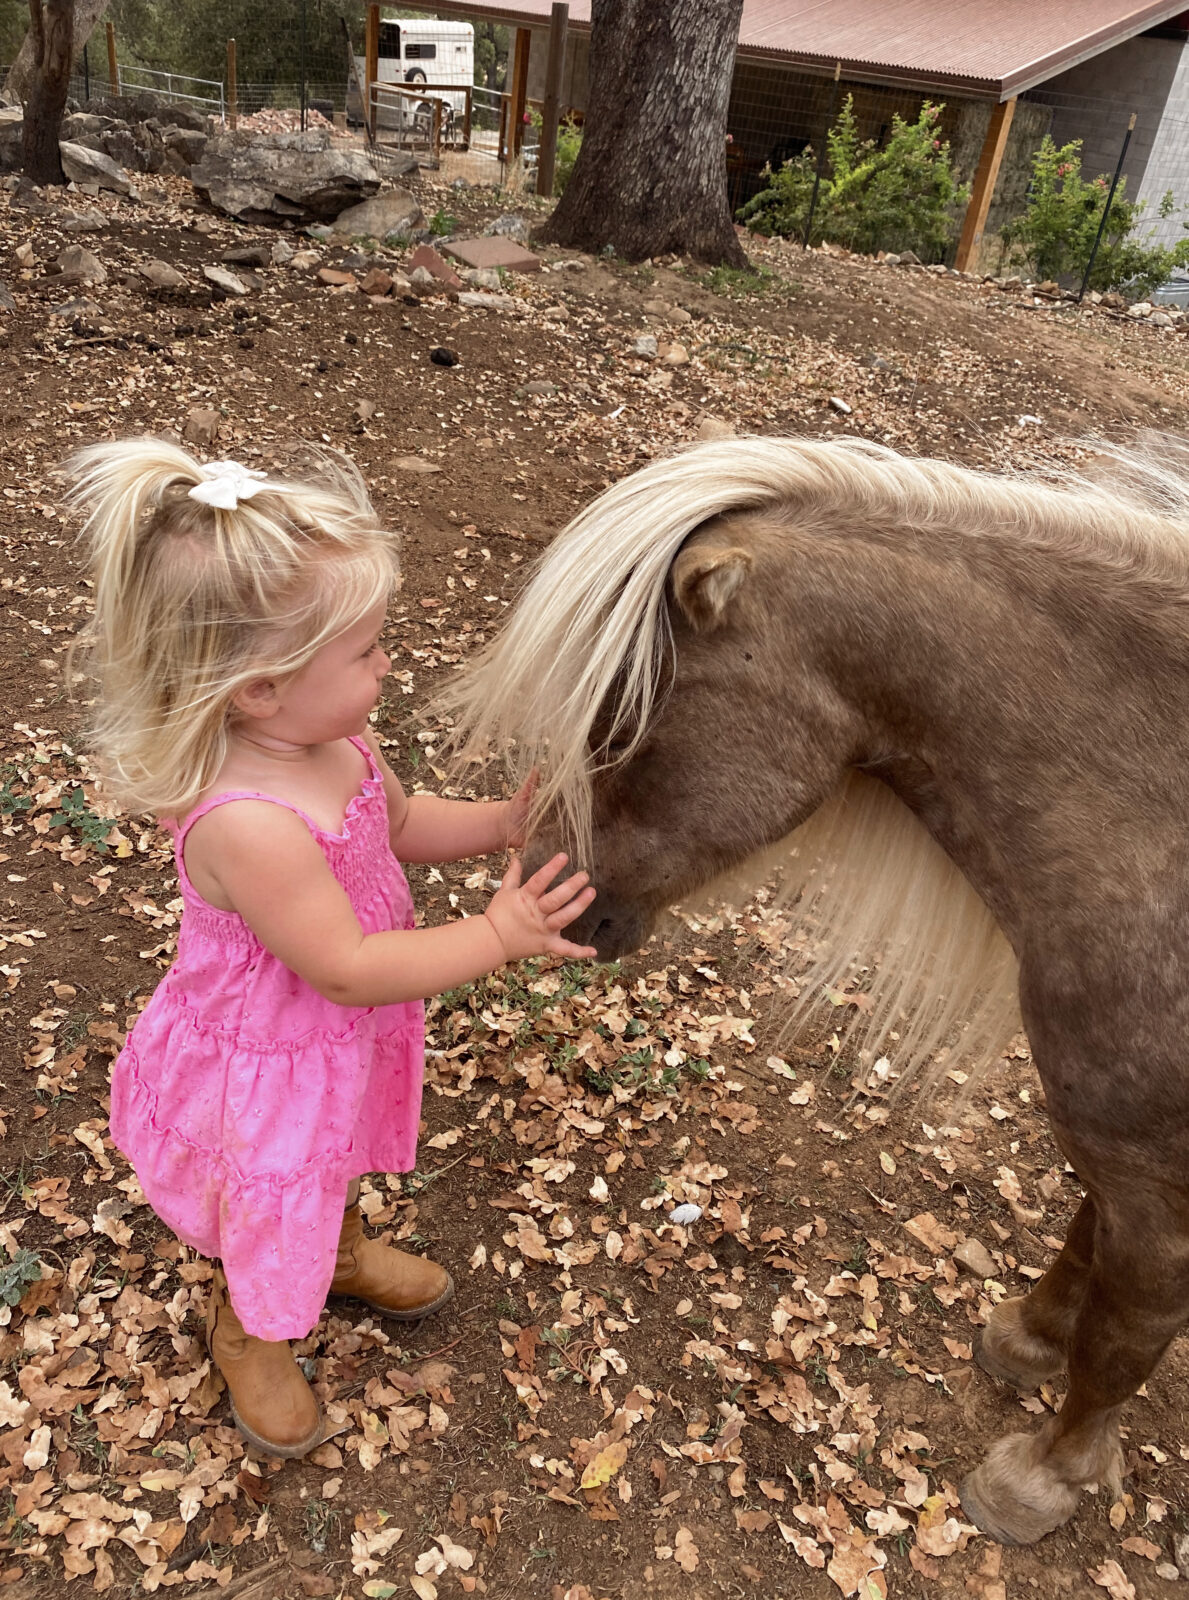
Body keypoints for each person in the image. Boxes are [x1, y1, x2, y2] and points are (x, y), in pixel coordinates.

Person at [67, 441, 597, 1458]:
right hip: (270, 1054)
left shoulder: (340, 744)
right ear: (259, 689)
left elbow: (396, 824)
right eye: (364, 652)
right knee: (276, 1187)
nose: (387, 663)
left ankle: (338, 1248)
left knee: (335, 1153)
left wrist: (493, 824)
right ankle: (252, 1332)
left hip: (335, 1040)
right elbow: (345, 965)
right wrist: (496, 934)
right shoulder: (249, 821)